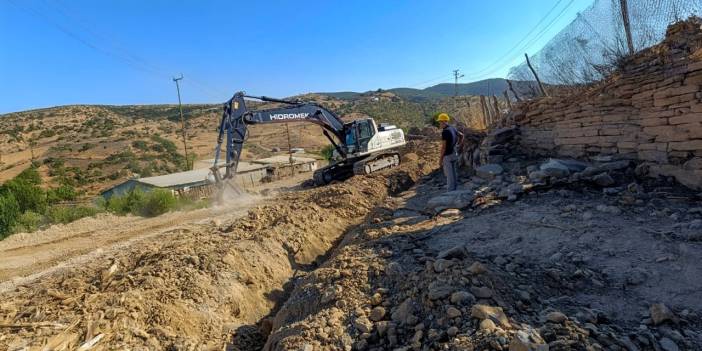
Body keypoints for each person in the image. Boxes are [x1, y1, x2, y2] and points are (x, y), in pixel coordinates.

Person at [436, 113, 463, 191]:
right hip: (454, 153)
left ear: (444, 121)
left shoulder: (445, 132)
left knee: (449, 174)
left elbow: (443, 147)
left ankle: (451, 191)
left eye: (440, 122)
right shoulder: (453, 128)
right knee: (454, 172)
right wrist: (459, 145)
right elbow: (462, 135)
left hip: (447, 156)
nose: (439, 123)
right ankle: (455, 188)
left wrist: (440, 159)